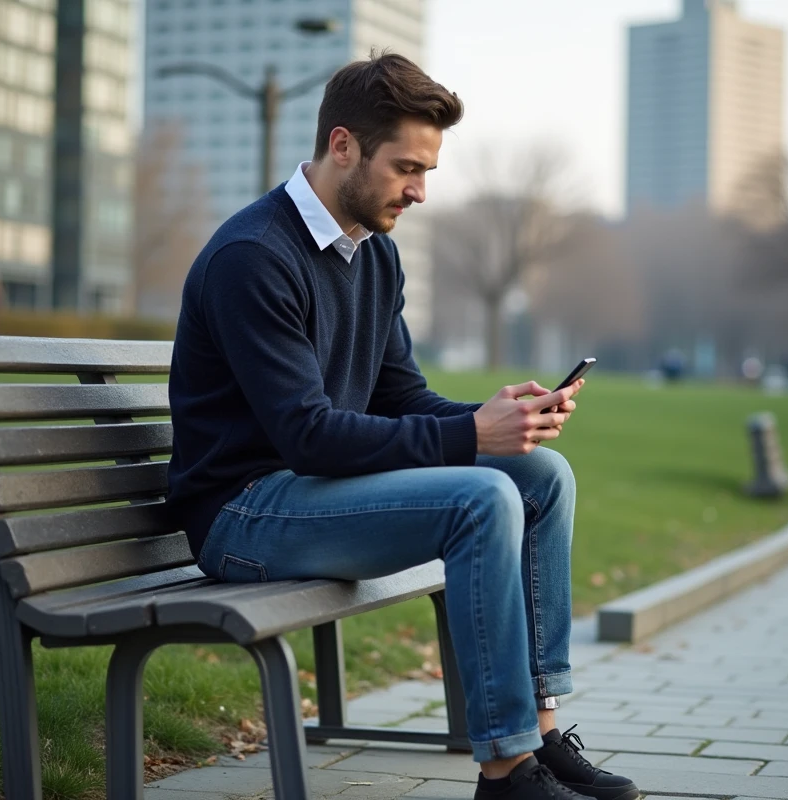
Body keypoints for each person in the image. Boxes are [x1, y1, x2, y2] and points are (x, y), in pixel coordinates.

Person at [166, 52, 639, 800]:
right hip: (243, 512)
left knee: (541, 478)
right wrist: (471, 439)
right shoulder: (253, 258)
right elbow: (308, 435)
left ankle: (541, 737)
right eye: (406, 168)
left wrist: (497, 419)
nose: (419, 191)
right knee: (481, 500)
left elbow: (400, 397)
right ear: (343, 145)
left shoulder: (376, 256)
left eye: (428, 172)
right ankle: (507, 774)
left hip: (310, 491)